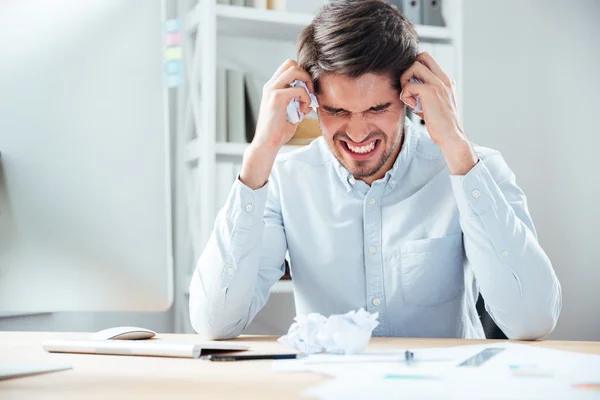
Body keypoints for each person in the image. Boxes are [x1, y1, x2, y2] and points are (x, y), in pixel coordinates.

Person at [189, 0, 561, 340]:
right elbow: (215, 323)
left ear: (410, 96)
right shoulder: (285, 179)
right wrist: (260, 153)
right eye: (336, 111)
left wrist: (456, 146)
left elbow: (533, 320)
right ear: (312, 100)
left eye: (376, 109)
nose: (357, 132)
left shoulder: (474, 168)